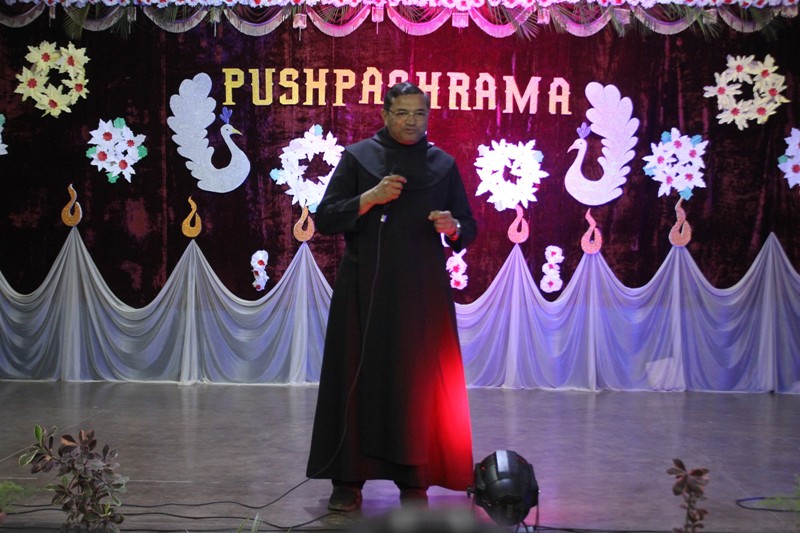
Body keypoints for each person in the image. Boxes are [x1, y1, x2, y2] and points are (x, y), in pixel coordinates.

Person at [306, 82, 477, 512]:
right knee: (355, 377)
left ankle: (414, 480)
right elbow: (326, 218)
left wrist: (452, 227)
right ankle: (348, 480)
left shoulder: (442, 164)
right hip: (363, 290)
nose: (411, 122)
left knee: (415, 385)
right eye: (402, 113)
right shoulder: (359, 157)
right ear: (384, 115)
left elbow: (468, 225)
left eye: (419, 114)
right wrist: (369, 198)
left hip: (421, 294)